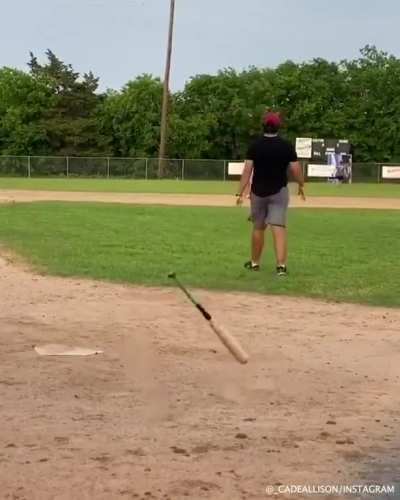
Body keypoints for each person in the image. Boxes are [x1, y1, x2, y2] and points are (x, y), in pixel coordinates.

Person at [236, 111, 305, 276]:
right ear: (278, 127)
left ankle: (254, 263)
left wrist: (240, 192)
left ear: (263, 127)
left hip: (258, 193)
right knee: (278, 227)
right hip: (279, 192)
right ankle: (281, 267)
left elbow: (247, 170)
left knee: (258, 228)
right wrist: (301, 184)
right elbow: (295, 169)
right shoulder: (286, 146)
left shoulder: (255, 145)